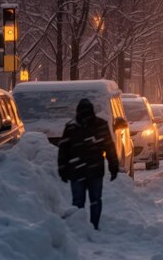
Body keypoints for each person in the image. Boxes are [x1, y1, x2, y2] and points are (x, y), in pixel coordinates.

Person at [58, 99, 119, 230]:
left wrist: (63, 168)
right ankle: (90, 226)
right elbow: (109, 148)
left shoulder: (72, 127)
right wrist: (113, 165)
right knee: (94, 200)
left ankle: (83, 227)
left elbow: (63, 150)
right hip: (93, 169)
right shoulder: (98, 126)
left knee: (80, 201)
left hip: (81, 170)